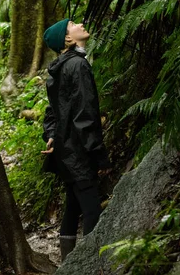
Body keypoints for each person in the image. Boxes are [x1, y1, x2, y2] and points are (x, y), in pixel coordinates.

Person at [41, 18, 111, 262]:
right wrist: (98, 154)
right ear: (68, 39)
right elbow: (85, 115)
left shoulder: (58, 70)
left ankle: (68, 262)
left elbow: (52, 112)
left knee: (72, 204)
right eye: (73, 24)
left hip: (65, 151)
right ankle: (88, 265)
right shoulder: (77, 66)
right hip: (78, 151)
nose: (80, 24)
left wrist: (51, 135)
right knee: (91, 209)